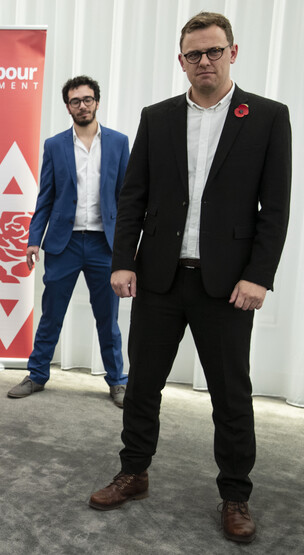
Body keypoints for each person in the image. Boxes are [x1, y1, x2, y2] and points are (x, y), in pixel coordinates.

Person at [88, 12, 291, 545]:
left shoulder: (268, 117)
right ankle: (133, 473)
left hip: (227, 286)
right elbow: (132, 197)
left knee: (231, 395)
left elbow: (276, 209)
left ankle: (235, 494)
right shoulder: (157, 118)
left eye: (214, 51)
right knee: (143, 386)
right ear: (181, 61)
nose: (205, 61)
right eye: (194, 54)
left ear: (233, 52)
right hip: (158, 277)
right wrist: (123, 261)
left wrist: (259, 277)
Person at [8, 76, 130, 407]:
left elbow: (127, 198)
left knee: (109, 318)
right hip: (65, 244)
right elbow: (45, 196)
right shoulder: (55, 145)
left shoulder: (119, 143)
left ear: (97, 102)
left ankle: (118, 381)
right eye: (76, 101)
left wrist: (128, 249)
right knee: (51, 315)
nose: (82, 105)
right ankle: (37, 374)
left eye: (88, 99)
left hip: (105, 245)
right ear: (68, 107)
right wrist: (35, 238)